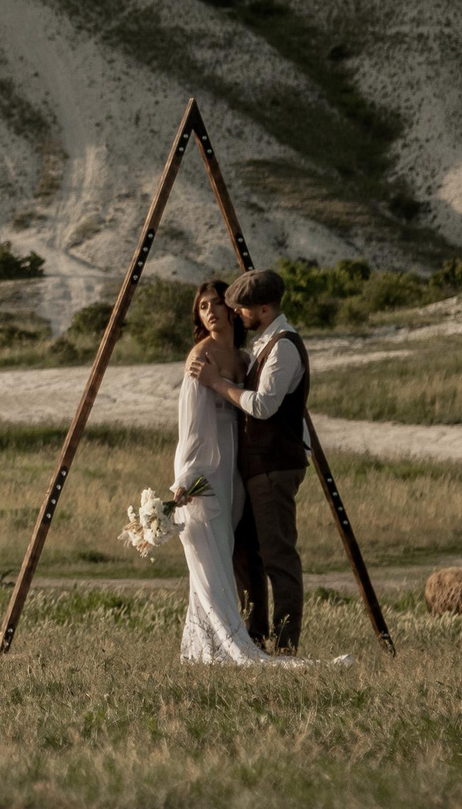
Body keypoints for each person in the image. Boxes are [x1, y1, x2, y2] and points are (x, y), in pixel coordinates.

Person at [170, 280, 298, 665]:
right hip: (204, 469)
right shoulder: (200, 357)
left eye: (215, 303)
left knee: (227, 552)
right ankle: (219, 647)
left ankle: (211, 645)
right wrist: (185, 479)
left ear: (230, 310)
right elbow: (189, 428)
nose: (209, 311)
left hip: (235, 470)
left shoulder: (244, 361)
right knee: (208, 556)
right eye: (202, 306)